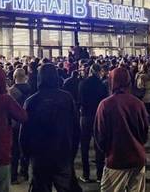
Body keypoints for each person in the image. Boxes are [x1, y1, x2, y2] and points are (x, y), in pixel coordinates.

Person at [20, 63, 80, 191]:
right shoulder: (67, 98)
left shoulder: (31, 101)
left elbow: (24, 133)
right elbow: (76, 129)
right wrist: (72, 152)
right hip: (63, 154)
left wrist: (27, 156)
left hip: (39, 157)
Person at [94, 67, 149, 192]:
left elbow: (100, 135)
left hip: (116, 158)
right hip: (138, 158)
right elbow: (144, 132)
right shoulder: (138, 103)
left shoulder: (105, 104)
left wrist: (108, 151)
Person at [78, 63, 108, 183]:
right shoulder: (102, 85)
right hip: (98, 117)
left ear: (89, 71)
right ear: (99, 72)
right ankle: (100, 175)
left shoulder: (83, 84)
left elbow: (80, 100)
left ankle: (86, 174)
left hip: (85, 116)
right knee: (99, 146)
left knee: (84, 147)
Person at [8, 68, 31, 183]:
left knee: (14, 151)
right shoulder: (32, 89)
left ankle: (13, 176)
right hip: (28, 124)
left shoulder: (11, 92)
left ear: (14, 77)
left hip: (14, 124)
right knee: (26, 149)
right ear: (25, 76)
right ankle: (25, 172)